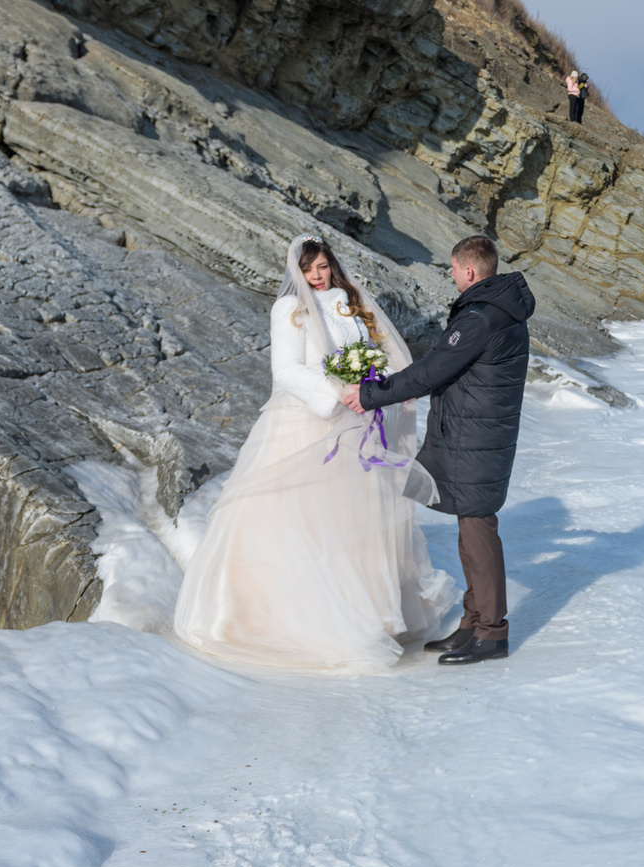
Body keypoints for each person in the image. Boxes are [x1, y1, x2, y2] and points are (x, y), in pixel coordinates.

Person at [172, 236, 454, 674]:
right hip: (308, 421)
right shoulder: (289, 309)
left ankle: (372, 615)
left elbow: (374, 352)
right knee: (303, 520)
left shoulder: (351, 302)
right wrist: (334, 393)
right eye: (309, 269)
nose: (317, 276)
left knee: (355, 520)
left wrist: (375, 383)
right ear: (297, 273)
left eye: (323, 266)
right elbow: (285, 371)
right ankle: (306, 619)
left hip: (359, 419)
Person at [345, 233, 533, 664]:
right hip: (479, 433)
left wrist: (372, 394)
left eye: (452, 269)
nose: (451, 276)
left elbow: (432, 369)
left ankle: (492, 634)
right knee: (471, 531)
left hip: (477, 438)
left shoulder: (481, 317)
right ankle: (473, 624)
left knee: (478, 531)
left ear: (468, 271)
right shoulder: (498, 309)